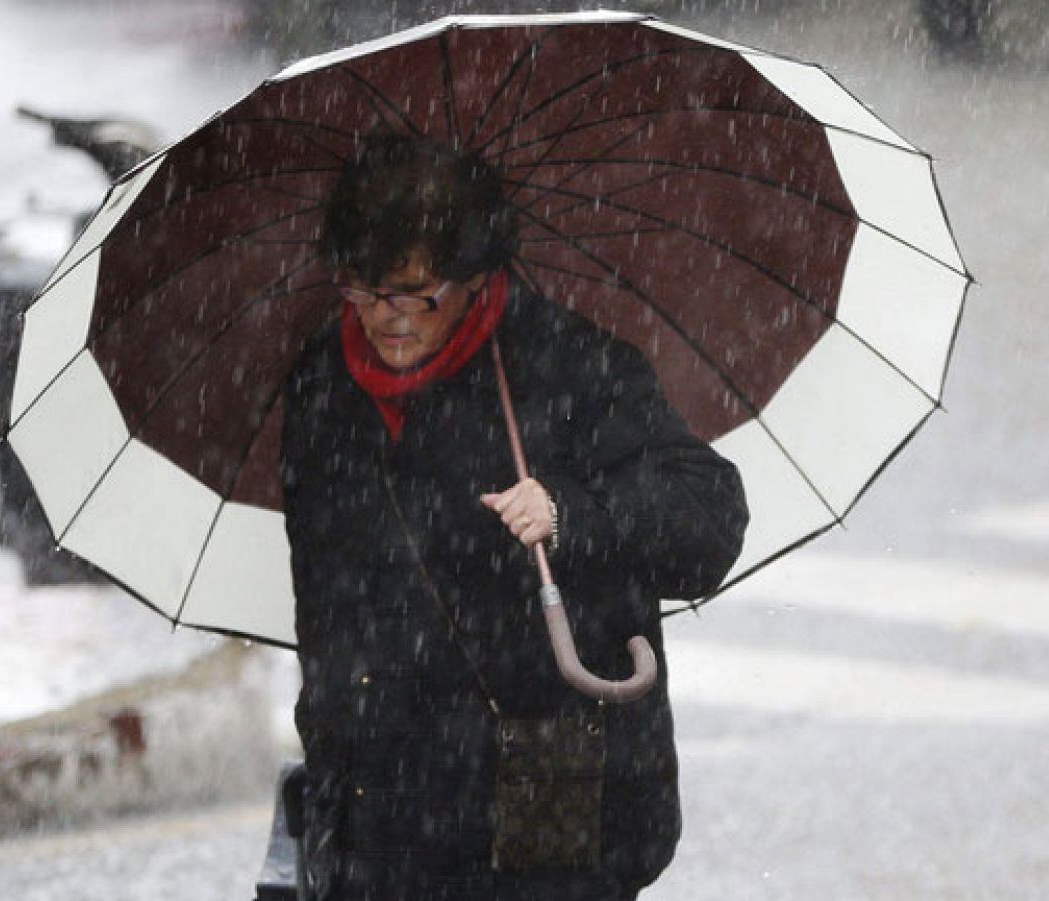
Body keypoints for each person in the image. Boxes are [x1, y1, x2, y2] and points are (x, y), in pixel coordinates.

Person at [280, 134, 748, 900]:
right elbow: (324, 603)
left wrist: (571, 513)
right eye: (363, 287)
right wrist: (333, 768)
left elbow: (708, 519)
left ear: (474, 275)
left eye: (415, 292)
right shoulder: (322, 387)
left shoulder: (570, 368)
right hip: (382, 816)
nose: (386, 317)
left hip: (544, 795)